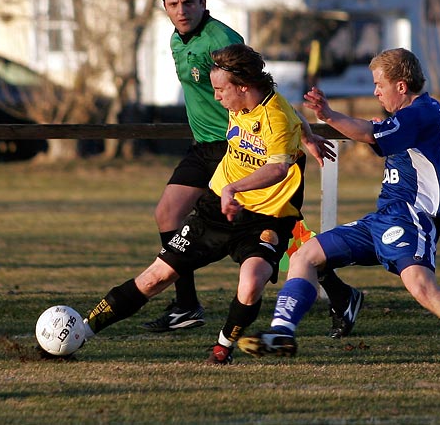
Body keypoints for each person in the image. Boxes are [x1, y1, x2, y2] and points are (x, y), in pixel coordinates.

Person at [238, 48, 440, 373]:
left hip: (411, 218)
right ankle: (282, 333)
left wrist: (329, 115)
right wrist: (353, 120)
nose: (375, 91)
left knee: (421, 286)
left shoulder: (422, 112)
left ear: (401, 86)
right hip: (382, 219)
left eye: (379, 84)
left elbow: (369, 133)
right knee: (305, 256)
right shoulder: (409, 116)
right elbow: (377, 134)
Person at [80, 43, 310, 364]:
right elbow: (291, 113)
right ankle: (82, 330)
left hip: (266, 217)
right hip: (214, 210)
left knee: (251, 282)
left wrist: (235, 188)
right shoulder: (243, 103)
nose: (217, 97)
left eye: (220, 90)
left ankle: (222, 348)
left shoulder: (276, 119)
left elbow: (278, 167)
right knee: (154, 278)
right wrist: (308, 133)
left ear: (243, 87)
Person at [143, 0, 335, 333]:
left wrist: (303, 133)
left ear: (203, 3)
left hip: (235, 146)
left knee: (277, 229)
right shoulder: (176, 40)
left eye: (188, 2)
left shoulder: (222, 40)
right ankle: (186, 306)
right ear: (164, 7)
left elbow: (263, 90)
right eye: (173, 4)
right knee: (168, 214)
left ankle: (338, 293)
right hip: (204, 145)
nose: (181, 10)